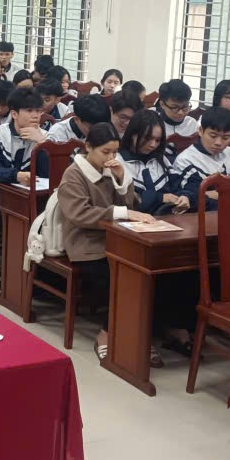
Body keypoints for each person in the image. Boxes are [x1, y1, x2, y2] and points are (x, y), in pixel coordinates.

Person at [55, 123, 154, 361]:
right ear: (88, 147)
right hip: (86, 243)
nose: (111, 157)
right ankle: (106, 334)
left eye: (115, 152)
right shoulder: (74, 174)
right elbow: (80, 214)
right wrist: (122, 213)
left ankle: (138, 334)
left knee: (146, 274)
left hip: (116, 239)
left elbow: (131, 206)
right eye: (105, 152)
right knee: (117, 276)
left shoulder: (112, 169)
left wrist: (122, 180)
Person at [0, 87, 49, 213]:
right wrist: (16, 176)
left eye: (38, 111)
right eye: (29, 110)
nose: (35, 115)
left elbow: (50, 174)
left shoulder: (45, 137)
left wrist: (42, 144)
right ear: (14, 114)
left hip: (36, 203)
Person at [168, 107, 230, 211]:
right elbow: (195, 200)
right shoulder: (186, 160)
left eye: (225, 137)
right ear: (200, 131)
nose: (218, 143)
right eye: (213, 136)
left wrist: (213, 193)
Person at [119, 109, 189, 216]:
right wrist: (160, 198)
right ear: (133, 134)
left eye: (157, 140)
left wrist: (184, 197)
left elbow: (177, 186)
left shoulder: (161, 159)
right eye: (148, 138)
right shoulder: (118, 162)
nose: (153, 145)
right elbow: (130, 202)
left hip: (167, 219)